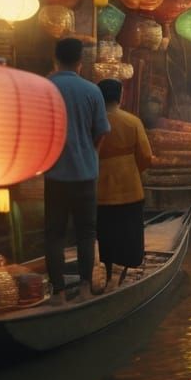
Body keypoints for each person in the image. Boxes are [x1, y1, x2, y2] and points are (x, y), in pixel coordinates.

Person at [45, 38, 111, 296]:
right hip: (85, 174)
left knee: (54, 235)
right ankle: (85, 287)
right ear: (80, 63)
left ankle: (58, 291)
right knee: (86, 233)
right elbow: (101, 132)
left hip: (54, 174)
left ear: (55, 59)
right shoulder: (92, 91)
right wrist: (88, 151)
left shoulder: (45, 88)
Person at [94, 79, 152, 290]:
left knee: (106, 233)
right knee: (129, 233)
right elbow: (146, 156)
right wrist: (133, 170)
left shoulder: (93, 122)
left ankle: (109, 273)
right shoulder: (132, 122)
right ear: (121, 97)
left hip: (101, 189)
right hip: (130, 188)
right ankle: (121, 274)